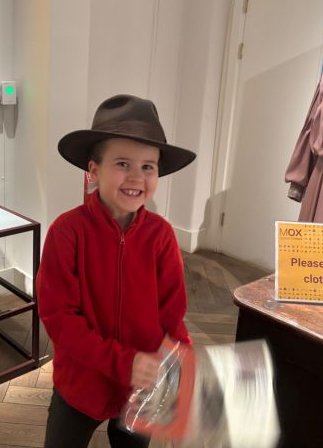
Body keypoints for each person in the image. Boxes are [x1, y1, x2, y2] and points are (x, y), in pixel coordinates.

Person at [37, 94, 196, 448]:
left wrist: (180, 356)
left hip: (142, 388)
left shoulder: (161, 236)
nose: (137, 177)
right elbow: (59, 318)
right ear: (94, 170)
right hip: (81, 383)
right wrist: (123, 362)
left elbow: (172, 315)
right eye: (123, 163)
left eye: (148, 166)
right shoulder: (67, 232)